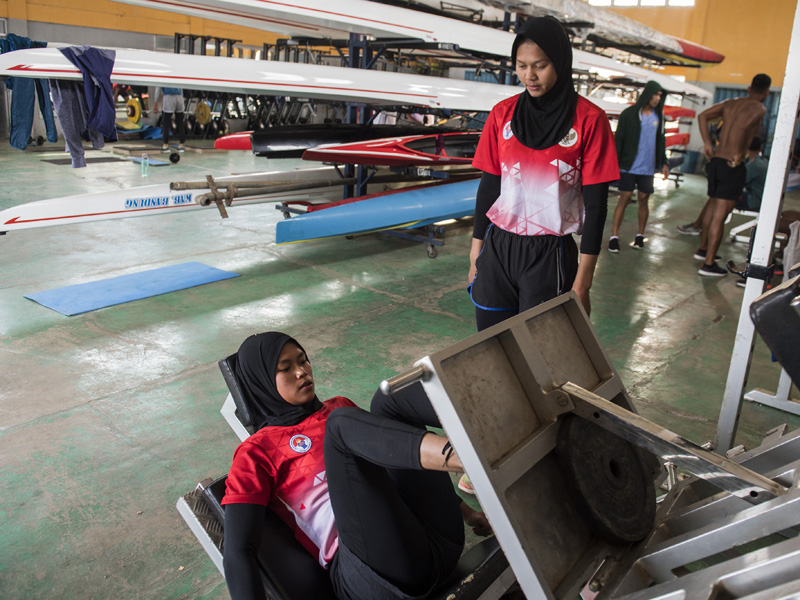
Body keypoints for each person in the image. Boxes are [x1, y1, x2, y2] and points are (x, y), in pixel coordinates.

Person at [221, 332, 491, 600]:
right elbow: (239, 550)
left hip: (434, 543)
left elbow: (395, 466)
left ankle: (492, 421)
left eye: (303, 361)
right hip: (373, 579)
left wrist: (468, 514)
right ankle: (475, 456)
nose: (302, 372)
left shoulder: (338, 407)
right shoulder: (255, 453)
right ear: (262, 383)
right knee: (339, 426)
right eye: (286, 368)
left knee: (388, 400)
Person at [469, 16, 619, 330]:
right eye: (521, 66)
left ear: (561, 62)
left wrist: (583, 282)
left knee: (541, 356)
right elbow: (489, 187)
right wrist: (475, 254)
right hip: (498, 249)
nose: (530, 76)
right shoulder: (502, 115)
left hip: (549, 255)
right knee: (493, 348)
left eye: (540, 65)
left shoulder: (590, 120)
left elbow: (597, 206)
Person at [693, 73, 771, 277]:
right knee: (721, 214)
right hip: (731, 165)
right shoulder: (759, 108)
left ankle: (703, 251)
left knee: (713, 204)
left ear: (748, 88)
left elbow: (702, 116)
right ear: (766, 93)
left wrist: (708, 143)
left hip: (716, 161)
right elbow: (748, 132)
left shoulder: (730, 103)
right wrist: (742, 154)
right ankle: (709, 265)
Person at [608, 81, 671, 252]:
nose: (657, 98)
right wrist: (614, 163)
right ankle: (614, 236)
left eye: (660, 95)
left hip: (648, 168)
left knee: (644, 199)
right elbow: (618, 139)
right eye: (655, 94)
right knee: (625, 197)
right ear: (648, 94)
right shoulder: (629, 114)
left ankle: (640, 236)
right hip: (629, 166)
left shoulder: (658, 117)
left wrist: (664, 162)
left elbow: (661, 140)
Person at [739, 136, 768, 212]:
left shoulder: (753, 165)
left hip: (755, 201)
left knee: (726, 196)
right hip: (765, 199)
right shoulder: (765, 161)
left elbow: (739, 182)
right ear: (761, 147)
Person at [152, 87, 186, 152]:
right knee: (180, 123)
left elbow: (157, 91)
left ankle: (165, 145)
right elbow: (181, 89)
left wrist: (155, 105)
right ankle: (181, 145)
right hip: (180, 97)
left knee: (166, 123)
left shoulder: (161, 77)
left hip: (169, 98)